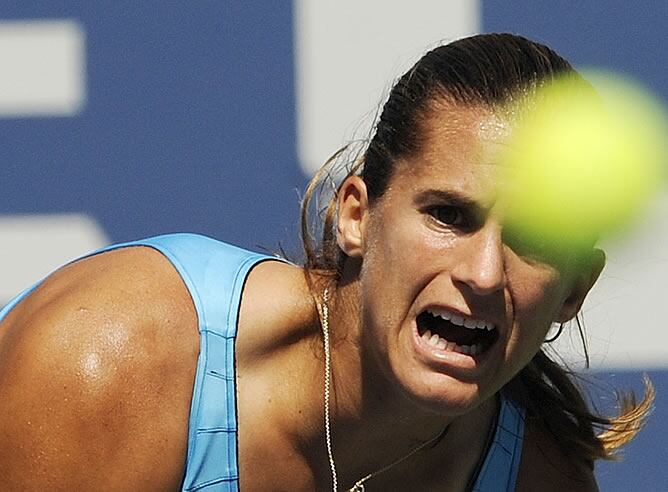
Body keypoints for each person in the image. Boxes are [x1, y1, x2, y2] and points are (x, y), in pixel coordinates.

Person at [0, 33, 653, 491]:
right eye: (448, 215)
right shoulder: (113, 363)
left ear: (574, 291)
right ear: (356, 215)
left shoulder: (542, 478)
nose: (483, 273)